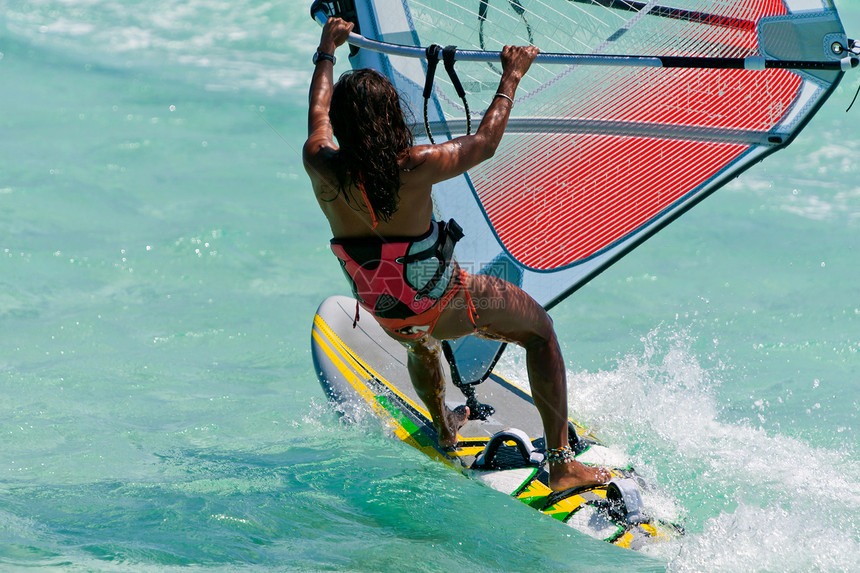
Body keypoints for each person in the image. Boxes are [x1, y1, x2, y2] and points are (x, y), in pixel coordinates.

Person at [303, 17, 610, 491]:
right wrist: (511, 76)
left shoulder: (320, 164)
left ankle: (445, 425)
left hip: (386, 313)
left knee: (419, 341)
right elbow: (484, 144)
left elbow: (317, 108)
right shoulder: (416, 166)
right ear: (389, 119)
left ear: (343, 124)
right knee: (540, 333)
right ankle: (563, 466)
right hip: (448, 304)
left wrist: (328, 48)